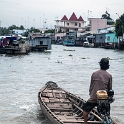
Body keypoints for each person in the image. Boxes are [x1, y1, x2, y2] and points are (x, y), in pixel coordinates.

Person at [83, 58, 112, 124]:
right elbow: (110, 88)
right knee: (107, 112)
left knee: (85, 110)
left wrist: (91, 94)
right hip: (103, 98)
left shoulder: (94, 73)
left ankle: (85, 123)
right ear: (107, 66)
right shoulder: (109, 76)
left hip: (94, 97)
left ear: (100, 65)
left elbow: (91, 85)